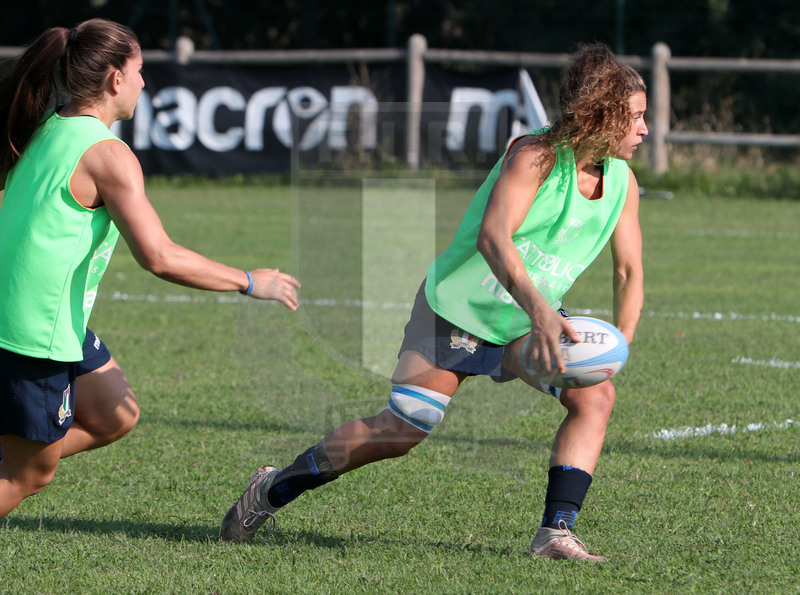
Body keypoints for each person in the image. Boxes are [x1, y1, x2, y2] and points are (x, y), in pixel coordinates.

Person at [219, 42, 646, 561]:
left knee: (596, 397)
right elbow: (493, 238)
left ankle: (556, 532)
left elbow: (629, 271)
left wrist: (618, 346)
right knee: (402, 429)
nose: (645, 129)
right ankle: (273, 488)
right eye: (636, 117)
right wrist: (540, 312)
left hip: (523, 322)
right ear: (604, 114)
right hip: (458, 310)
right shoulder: (534, 157)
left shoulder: (623, 183)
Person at [0, 18, 301, 520]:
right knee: (27, 476)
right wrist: (250, 281)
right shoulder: (108, 155)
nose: (144, 82)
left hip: (37, 317)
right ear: (116, 78)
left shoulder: (49, 123)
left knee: (113, 413)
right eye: (140, 70)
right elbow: (158, 256)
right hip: (32, 333)